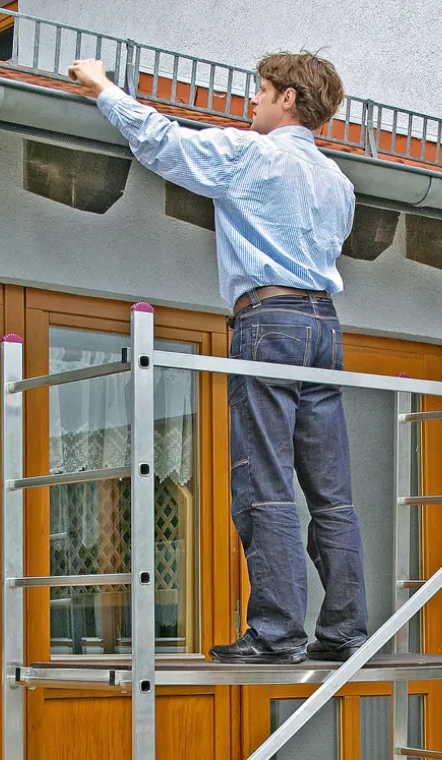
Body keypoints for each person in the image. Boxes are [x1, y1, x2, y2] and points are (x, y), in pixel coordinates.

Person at [68, 51, 369, 664]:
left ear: (288, 98)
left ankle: (277, 634)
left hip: (269, 320)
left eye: (261, 90)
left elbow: (163, 143)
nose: (251, 101)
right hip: (323, 325)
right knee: (330, 489)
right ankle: (345, 632)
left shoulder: (252, 154)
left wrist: (103, 89)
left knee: (265, 480)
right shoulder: (338, 182)